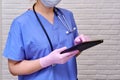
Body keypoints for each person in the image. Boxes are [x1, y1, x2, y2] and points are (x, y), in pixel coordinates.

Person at [3, 0, 88, 80]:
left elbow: (66, 57)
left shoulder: (67, 16)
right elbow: (13, 68)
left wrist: (78, 47)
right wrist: (45, 61)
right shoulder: (20, 23)